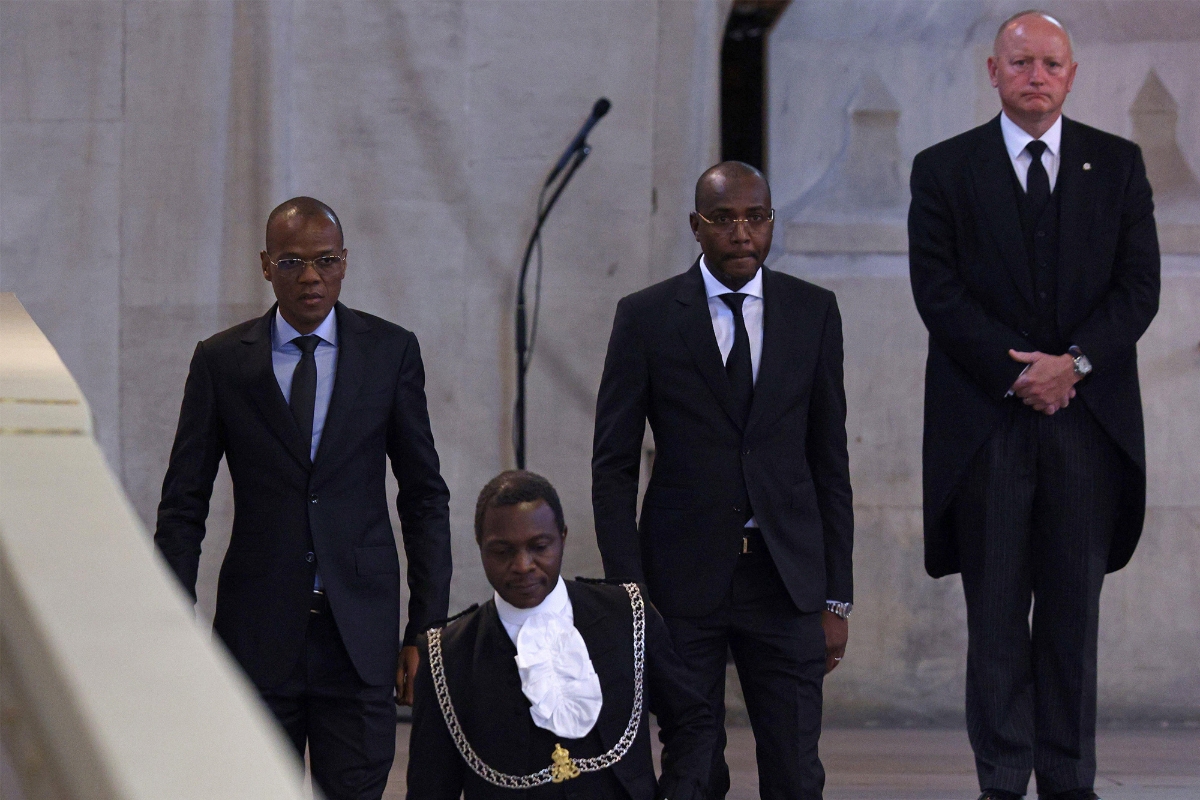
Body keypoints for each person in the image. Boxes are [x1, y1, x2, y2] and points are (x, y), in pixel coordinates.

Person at [907, 11, 1160, 800]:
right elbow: (937, 292)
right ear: (994, 72)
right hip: (986, 427)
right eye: (1021, 63)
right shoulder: (943, 169)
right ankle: (1002, 780)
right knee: (995, 618)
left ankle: (1069, 779)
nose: (1037, 76)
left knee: (1071, 617)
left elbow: (1139, 288)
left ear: (1071, 75)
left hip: (1086, 426)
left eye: (1051, 63)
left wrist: (1072, 365)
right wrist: (1017, 374)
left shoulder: (1117, 165)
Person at [155, 197, 452, 800]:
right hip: (257, 632)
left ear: (345, 263)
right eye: (292, 261)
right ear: (266, 265)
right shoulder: (221, 362)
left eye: (326, 260)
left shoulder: (389, 352)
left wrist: (426, 629)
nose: (310, 277)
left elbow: (424, 497)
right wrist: (171, 626)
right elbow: (183, 504)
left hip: (359, 634)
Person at [592, 161, 854, 799]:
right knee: (694, 767)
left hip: (785, 578)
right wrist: (630, 594)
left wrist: (837, 596)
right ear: (695, 225)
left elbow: (829, 462)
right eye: (724, 218)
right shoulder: (647, 316)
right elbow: (613, 466)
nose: (742, 233)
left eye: (756, 217)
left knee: (795, 770)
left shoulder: (812, 312)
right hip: (681, 583)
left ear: (771, 221)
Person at [407, 470, 715, 799]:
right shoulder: (446, 655)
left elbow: (692, 722)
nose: (523, 565)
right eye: (502, 551)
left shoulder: (628, 615)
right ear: (480, 545)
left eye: (539, 546)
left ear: (562, 537)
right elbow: (430, 788)